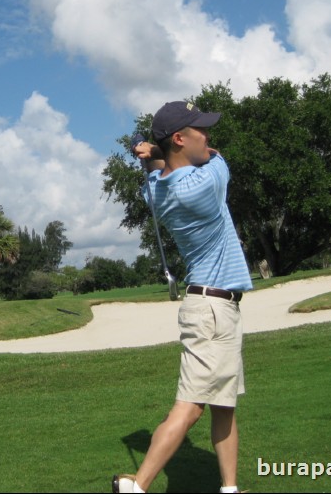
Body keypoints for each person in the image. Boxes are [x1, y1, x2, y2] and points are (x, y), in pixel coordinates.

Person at [113, 101, 253, 494]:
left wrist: (152, 152)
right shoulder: (208, 182)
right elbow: (216, 157)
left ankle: (229, 487)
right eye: (200, 130)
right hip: (212, 308)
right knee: (192, 406)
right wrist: (154, 151)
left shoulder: (157, 191)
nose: (208, 137)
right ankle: (137, 486)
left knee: (224, 405)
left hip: (215, 306)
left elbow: (162, 168)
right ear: (179, 138)